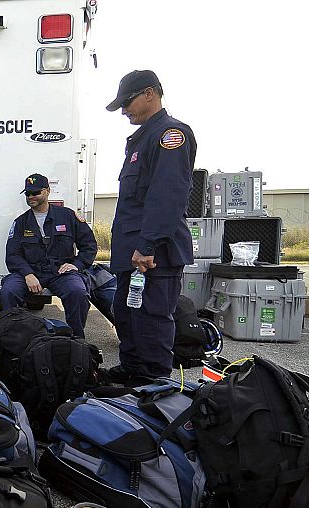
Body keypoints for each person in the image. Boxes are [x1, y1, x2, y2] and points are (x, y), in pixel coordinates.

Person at [105, 69, 196, 381]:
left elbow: (167, 196)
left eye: (126, 102)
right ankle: (132, 373)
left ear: (149, 94)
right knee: (127, 314)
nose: (123, 110)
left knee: (152, 319)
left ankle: (155, 385)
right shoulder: (142, 140)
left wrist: (147, 246)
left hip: (152, 256)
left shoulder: (169, 135)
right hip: (131, 255)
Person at [0, 173, 97, 338]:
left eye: (36, 192)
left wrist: (77, 265)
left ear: (47, 191)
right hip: (31, 271)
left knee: (77, 292)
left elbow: (89, 245)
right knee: (8, 291)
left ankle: (75, 340)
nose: (31, 197)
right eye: (28, 193)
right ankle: (16, 339)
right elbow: (13, 254)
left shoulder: (68, 216)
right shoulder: (20, 222)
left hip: (60, 273)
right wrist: (28, 274)